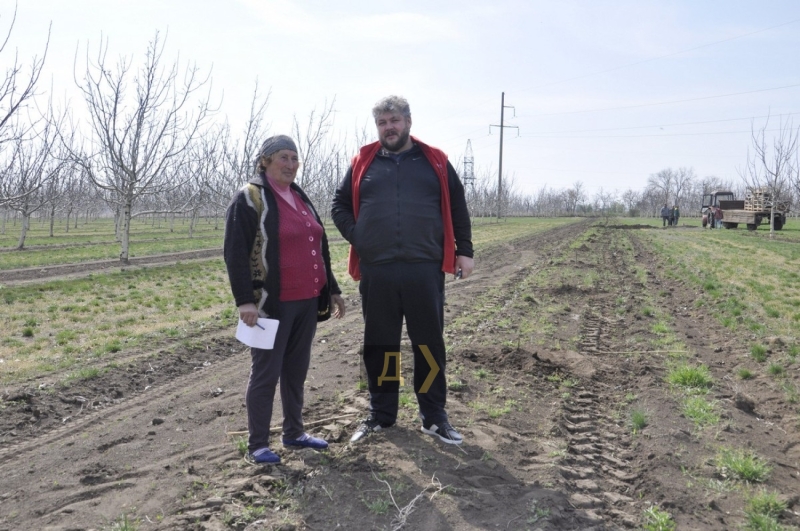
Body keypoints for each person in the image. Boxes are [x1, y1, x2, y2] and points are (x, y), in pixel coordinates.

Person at [331, 95, 474, 445]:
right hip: (377, 271)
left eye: (393, 120)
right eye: (381, 122)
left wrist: (464, 252)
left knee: (428, 345)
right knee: (382, 345)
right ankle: (382, 414)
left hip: (423, 269)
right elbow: (338, 205)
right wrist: (359, 236)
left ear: (408, 121)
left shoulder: (434, 161)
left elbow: (457, 205)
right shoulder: (364, 161)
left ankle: (433, 416)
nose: (388, 127)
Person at [224, 135, 346, 464]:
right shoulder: (250, 198)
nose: (290, 164)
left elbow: (317, 247)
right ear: (265, 161)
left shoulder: (299, 196)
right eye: (283, 157)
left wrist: (331, 288)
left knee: (296, 370)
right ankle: (258, 445)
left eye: (295, 158)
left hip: (307, 301)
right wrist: (244, 301)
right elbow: (235, 253)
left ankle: (294, 432)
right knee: (266, 373)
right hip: (269, 304)